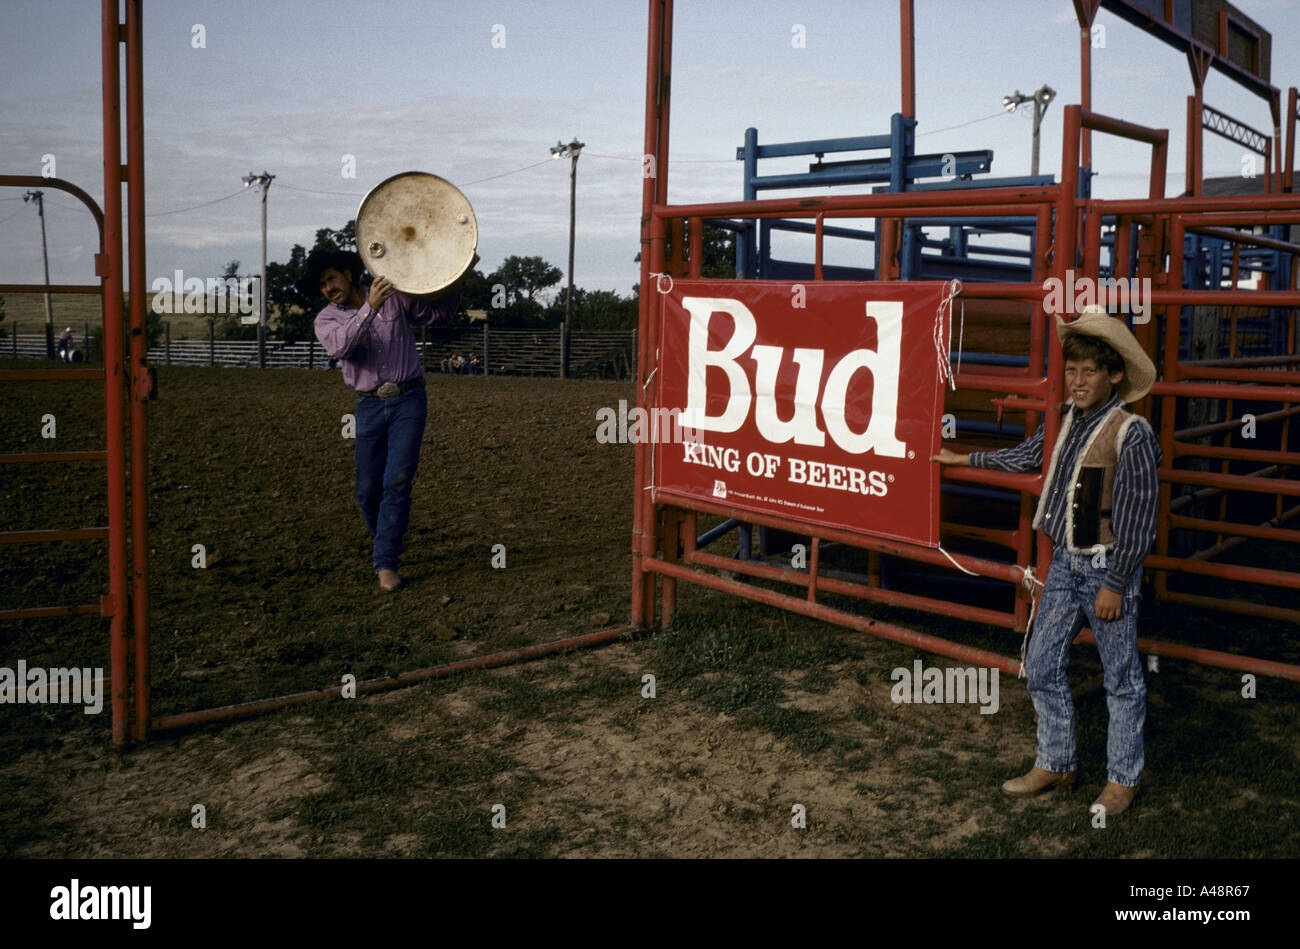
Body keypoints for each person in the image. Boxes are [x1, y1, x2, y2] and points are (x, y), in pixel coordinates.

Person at [932, 306, 1160, 817]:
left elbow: (1139, 521)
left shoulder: (1131, 433)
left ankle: (1122, 778)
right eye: (1072, 371)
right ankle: (1056, 761)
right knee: (1039, 663)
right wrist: (965, 458)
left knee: (1121, 676)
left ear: (1115, 375)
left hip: (1105, 568)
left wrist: (1117, 583)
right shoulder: (1066, 420)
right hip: (1064, 564)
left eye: (1090, 372)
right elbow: (1027, 457)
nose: (1078, 381)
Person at [303, 247, 466, 592]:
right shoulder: (326, 320)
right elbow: (342, 348)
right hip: (368, 406)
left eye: (330, 278)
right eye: (321, 285)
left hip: (409, 398)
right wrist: (370, 307)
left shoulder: (394, 294)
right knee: (366, 491)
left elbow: (438, 317)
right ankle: (386, 541)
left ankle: (386, 561)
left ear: (348, 272)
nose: (328, 288)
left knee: (398, 479)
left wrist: (456, 274)